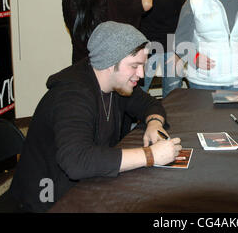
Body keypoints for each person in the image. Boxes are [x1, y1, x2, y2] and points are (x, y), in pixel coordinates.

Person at [9, 22, 182, 212]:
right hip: (47, 198)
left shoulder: (117, 83)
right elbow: (76, 161)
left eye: (143, 65)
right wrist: (150, 155)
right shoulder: (72, 96)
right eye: (135, 66)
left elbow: (150, 104)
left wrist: (154, 123)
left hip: (82, 183)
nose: (140, 74)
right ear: (109, 63)